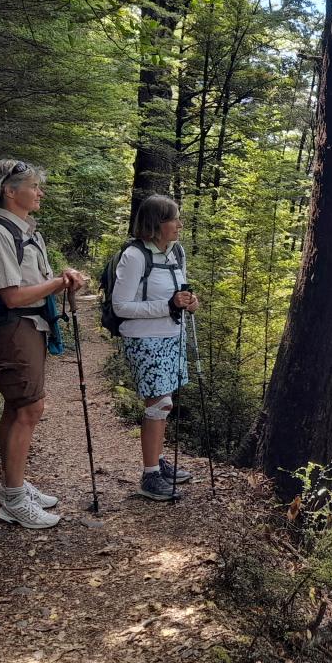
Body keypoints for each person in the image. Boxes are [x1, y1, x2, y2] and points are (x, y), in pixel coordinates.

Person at [0, 159, 84, 529]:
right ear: (9, 191)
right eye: (34, 186)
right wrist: (57, 284)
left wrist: (60, 281)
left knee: (16, 405)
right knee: (30, 409)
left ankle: (11, 488)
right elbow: (11, 296)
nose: (40, 192)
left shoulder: (27, 231)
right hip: (11, 325)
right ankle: (15, 501)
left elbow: (31, 284)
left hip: (28, 325)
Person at [112, 194, 199, 501]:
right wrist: (168, 305)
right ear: (156, 224)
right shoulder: (135, 256)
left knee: (164, 404)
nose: (179, 224)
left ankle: (158, 463)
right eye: (173, 219)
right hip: (145, 339)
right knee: (158, 405)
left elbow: (181, 293)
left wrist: (189, 302)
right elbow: (121, 306)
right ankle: (150, 476)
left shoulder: (177, 253)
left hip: (172, 336)